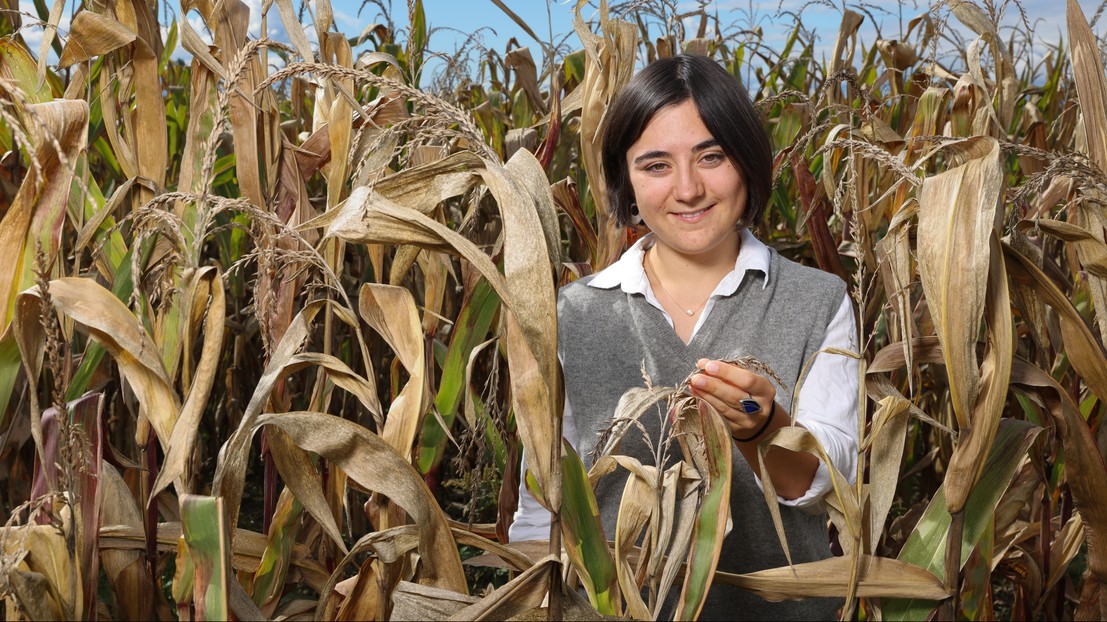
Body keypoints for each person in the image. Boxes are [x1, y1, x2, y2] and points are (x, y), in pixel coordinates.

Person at [510, 54, 859, 620]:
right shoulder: (572, 314)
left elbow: (830, 483)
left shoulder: (818, 302)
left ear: (747, 162)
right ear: (624, 178)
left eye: (711, 156)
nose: (689, 189)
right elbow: (544, 499)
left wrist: (764, 430)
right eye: (655, 166)